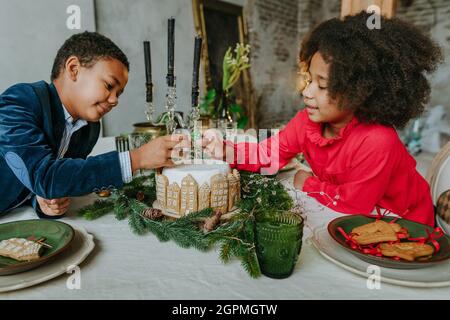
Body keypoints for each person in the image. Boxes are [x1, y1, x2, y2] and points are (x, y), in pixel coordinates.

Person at [204, 11, 442, 226]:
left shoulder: (378, 141)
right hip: (354, 219)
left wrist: (307, 183)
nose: (306, 92)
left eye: (322, 85)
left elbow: (354, 204)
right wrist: (227, 151)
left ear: (360, 91)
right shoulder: (306, 122)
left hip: (404, 224)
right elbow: (268, 155)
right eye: (309, 80)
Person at [0, 31, 184, 218]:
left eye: (119, 93)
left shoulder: (89, 129)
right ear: (73, 69)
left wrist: (42, 201)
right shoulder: (21, 101)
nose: (114, 100)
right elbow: (46, 177)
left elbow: (52, 180)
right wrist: (137, 158)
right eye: (109, 85)